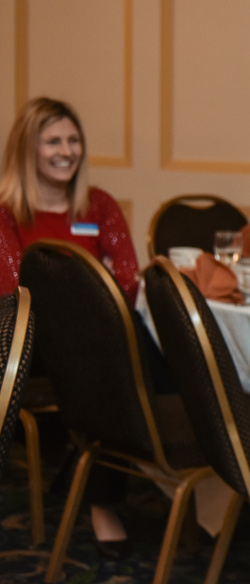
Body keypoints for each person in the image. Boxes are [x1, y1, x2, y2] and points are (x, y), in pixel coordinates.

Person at [0, 97, 140, 556]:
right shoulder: (6, 214)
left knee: (120, 356)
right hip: (29, 345)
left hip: (101, 338)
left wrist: (89, 302)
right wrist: (87, 290)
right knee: (120, 368)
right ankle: (106, 496)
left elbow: (127, 279)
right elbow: (15, 292)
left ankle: (115, 477)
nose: (67, 151)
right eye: (53, 141)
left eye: (73, 140)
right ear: (28, 149)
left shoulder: (98, 204)